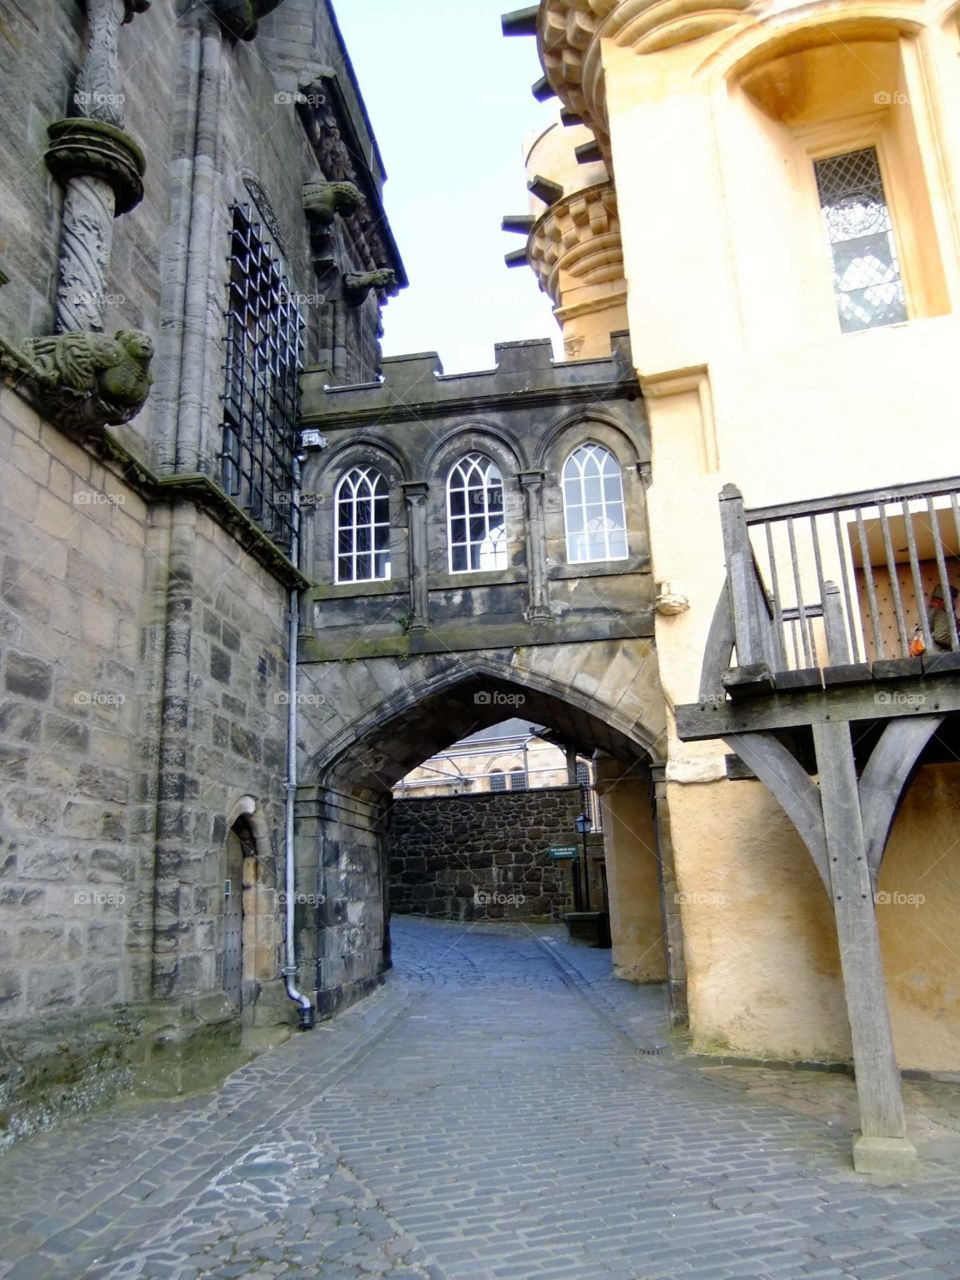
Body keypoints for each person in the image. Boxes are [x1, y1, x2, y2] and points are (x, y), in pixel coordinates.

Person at [927, 582, 959, 652]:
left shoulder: (930, 612)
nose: (954, 603)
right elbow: (941, 637)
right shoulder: (942, 612)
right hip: (939, 656)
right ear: (943, 600)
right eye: (953, 600)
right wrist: (957, 642)